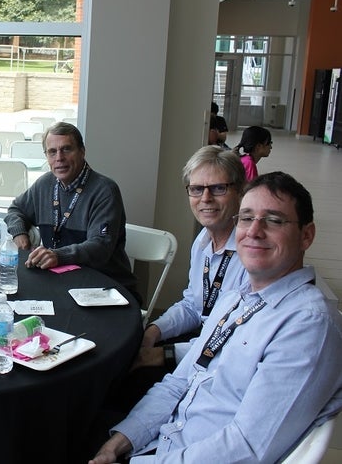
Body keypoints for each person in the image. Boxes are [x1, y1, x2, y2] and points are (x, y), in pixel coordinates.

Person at [90, 171, 342, 463]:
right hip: (166, 440)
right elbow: (179, 382)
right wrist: (119, 442)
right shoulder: (237, 297)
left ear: (306, 235)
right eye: (246, 218)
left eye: (273, 220)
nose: (254, 231)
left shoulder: (307, 326)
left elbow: (246, 448)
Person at [105, 146, 248, 414]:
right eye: (196, 189)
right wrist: (154, 331)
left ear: (240, 190)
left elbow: (232, 342)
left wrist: (162, 354)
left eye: (218, 188)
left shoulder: (249, 256)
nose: (205, 198)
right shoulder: (203, 241)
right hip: (200, 341)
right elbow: (194, 306)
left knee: (125, 388)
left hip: (221, 363)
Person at [4, 121, 137, 297]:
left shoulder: (105, 191)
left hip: (104, 287)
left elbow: (100, 246)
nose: (59, 158)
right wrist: (19, 232)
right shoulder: (45, 184)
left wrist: (58, 256)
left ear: (82, 151)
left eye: (66, 149)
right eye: (52, 152)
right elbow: (16, 209)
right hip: (60, 282)